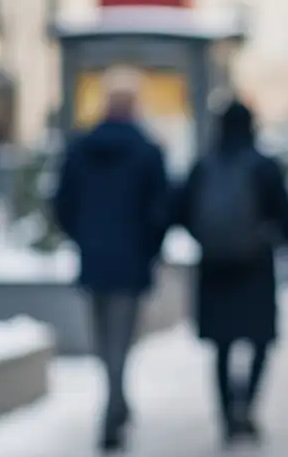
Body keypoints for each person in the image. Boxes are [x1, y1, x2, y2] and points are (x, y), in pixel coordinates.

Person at [52, 67, 169, 453]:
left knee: (104, 339)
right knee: (120, 339)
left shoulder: (80, 148)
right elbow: (160, 209)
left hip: (95, 257)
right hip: (131, 259)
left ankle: (116, 402)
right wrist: (150, 248)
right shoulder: (148, 150)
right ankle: (113, 411)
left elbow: (63, 204)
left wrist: (85, 237)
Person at [172, 101, 288, 444]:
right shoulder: (264, 165)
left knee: (222, 345)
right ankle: (247, 406)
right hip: (256, 266)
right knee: (258, 341)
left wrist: (206, 239)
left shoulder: (204, 165)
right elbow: (285, 214)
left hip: (214, 268)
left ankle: (227, 413)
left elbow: (180, 210)